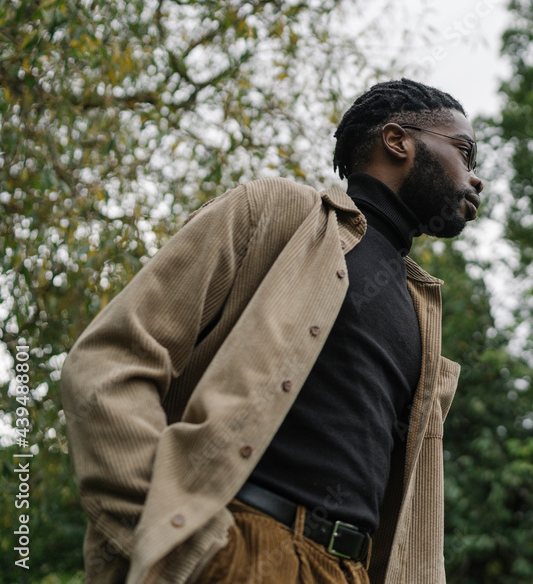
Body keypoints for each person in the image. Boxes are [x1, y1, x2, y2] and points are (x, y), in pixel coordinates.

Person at [62, 78, 485, 584]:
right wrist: (171, 539)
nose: (475, 178)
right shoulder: (276, 212)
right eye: (465, 152)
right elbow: (110, 362)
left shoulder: (421, 309)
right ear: (397, 141)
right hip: (240, 549)